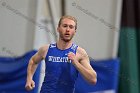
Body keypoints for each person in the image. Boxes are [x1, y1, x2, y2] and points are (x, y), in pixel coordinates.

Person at [25, 15, 97, 93]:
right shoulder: (46, 49)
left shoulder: (80, 53)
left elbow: (93, 79)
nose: (68, 30)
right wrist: (29, 78)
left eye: (71, 27)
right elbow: (33, 61)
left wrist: (76, 63)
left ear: (75, 31)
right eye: (65, 26)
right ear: (58, 29)